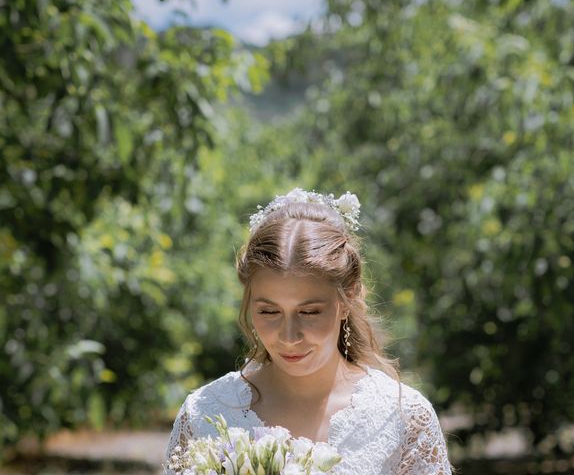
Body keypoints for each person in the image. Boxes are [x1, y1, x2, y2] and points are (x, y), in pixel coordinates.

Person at [164, 188, 454, 474]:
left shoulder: (403, 417)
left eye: (310, 312)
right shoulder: (205, 412)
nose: (289, 336)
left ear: (347, 299)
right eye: (269, 311)